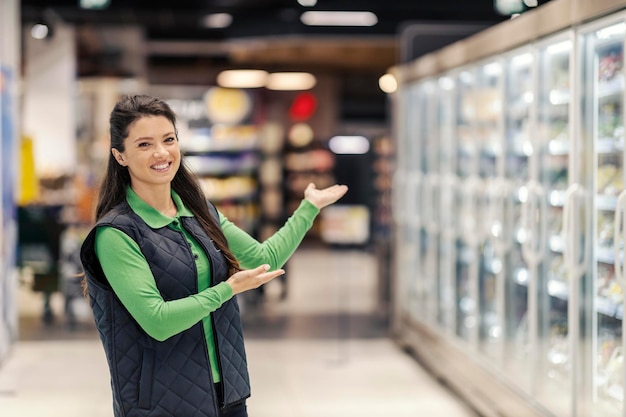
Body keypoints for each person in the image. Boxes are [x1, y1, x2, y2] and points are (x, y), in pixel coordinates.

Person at [79, 94, 348, 417]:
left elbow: (265, 258)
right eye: (144, 145)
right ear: (120, 156)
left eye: (169, 139)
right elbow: (157, 321)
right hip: (161, 402)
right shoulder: (116, 234)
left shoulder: (198, 212)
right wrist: (228, 290)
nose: (162, 153)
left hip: (226, 392)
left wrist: (308, 208)